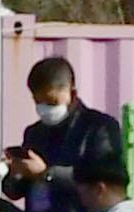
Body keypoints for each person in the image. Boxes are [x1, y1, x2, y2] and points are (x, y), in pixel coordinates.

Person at [16, 56, 124, 187]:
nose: (45, 108)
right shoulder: (34, 133)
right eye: (38, 102)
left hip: (80, 207)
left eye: (52, 102)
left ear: (72, 94)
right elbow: (14, 190)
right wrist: (17, 171)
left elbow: (102, 178)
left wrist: (47, 173)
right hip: (39, 207)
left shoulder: (99, 127)